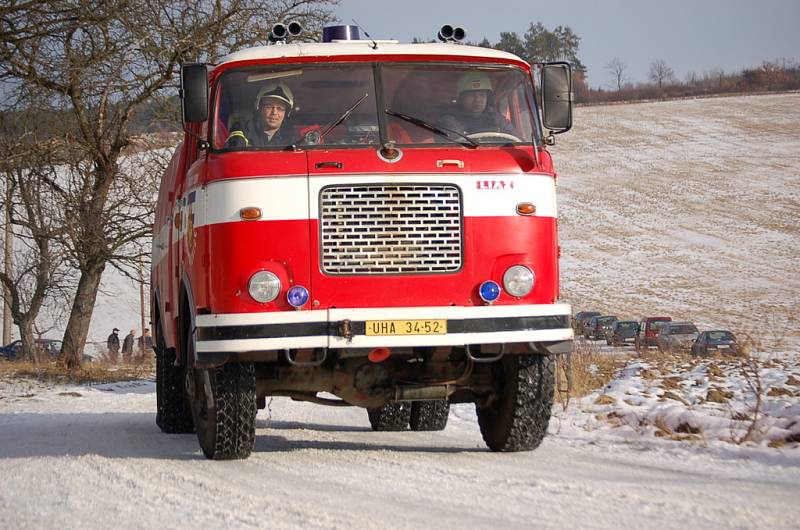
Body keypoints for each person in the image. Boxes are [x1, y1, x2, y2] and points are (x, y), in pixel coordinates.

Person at [438, 72, 519, 138]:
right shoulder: (450, 121)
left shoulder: (496, 119)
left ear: (488, 98)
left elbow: (517, 139)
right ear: (461, 98)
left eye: (482, 95)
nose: (478, 100)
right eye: (471, 95)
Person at [225, 82, 294, 148]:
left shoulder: (292, 135)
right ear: (259, 107)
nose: (274, 112)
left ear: (286, 112)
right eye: (268, 106)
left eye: (280, 108)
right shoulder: (242, 129)